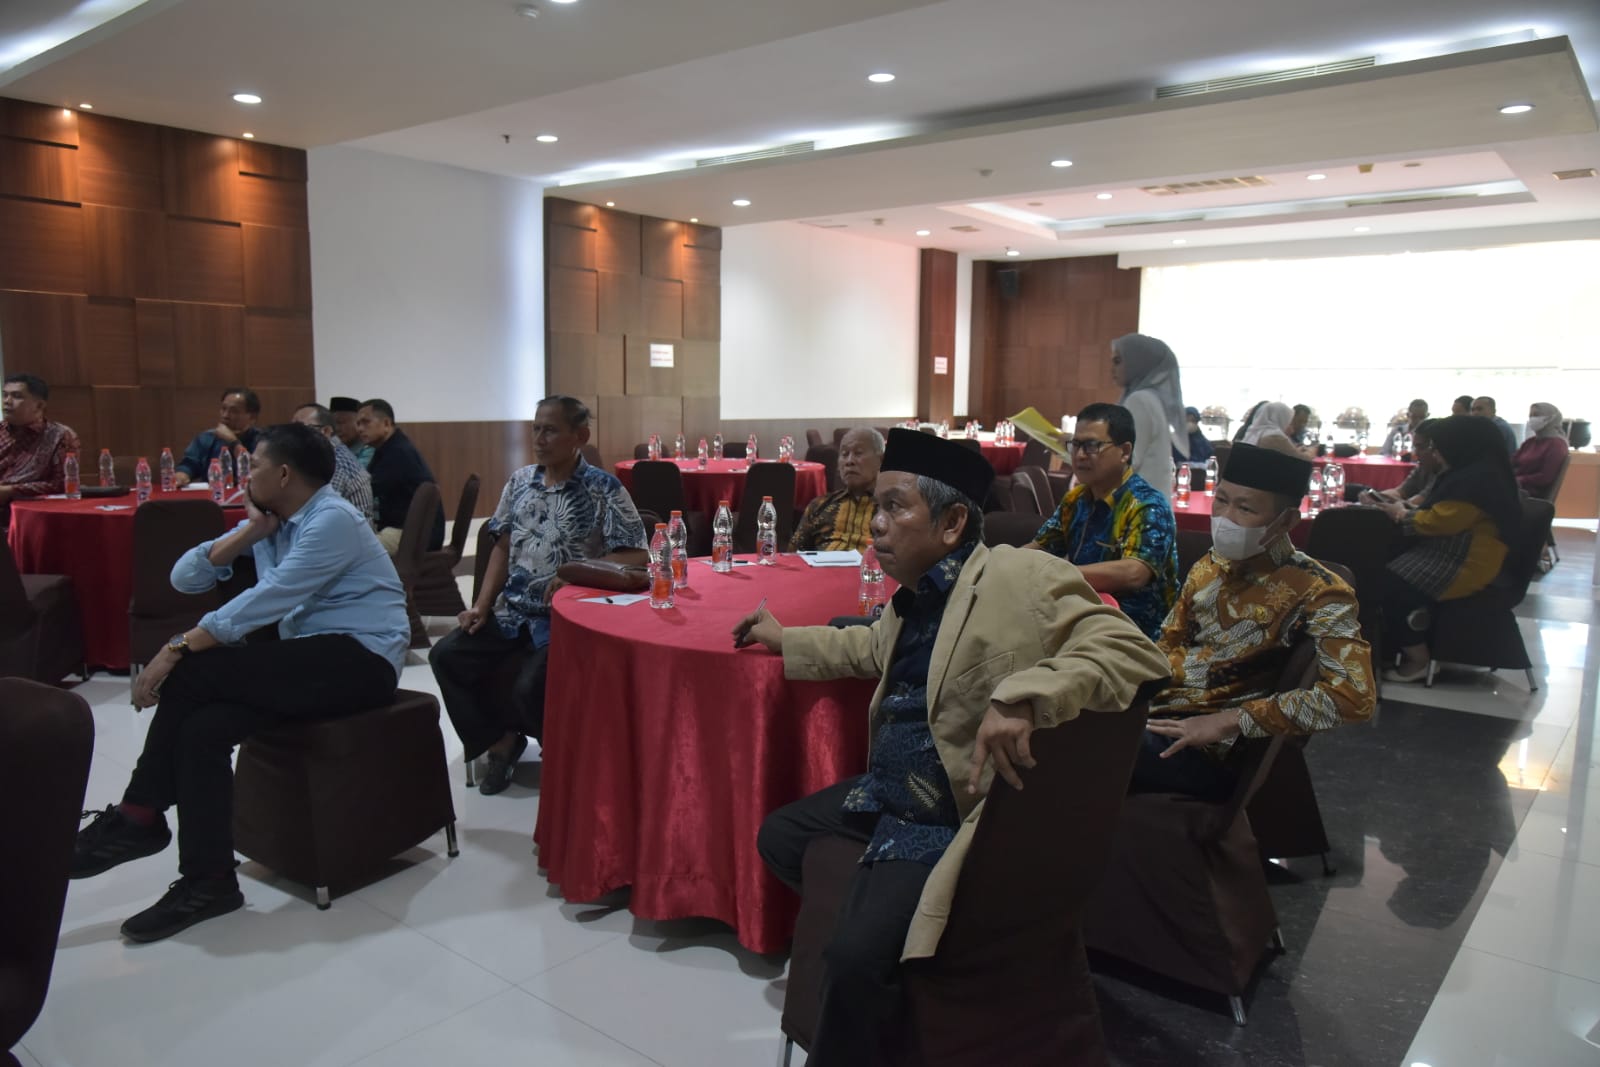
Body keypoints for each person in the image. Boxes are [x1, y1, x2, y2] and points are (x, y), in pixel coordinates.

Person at [739, 429, 1169, 1067]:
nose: (875, 527)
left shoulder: (1024, 576)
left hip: (944, 810)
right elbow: (870, 648)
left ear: (954, 522)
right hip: (890, 788)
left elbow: (1135, 652)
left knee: (853, 960)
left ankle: (884, 985)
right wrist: (786, 639)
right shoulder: (916, 595)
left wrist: (1026, 692)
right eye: (875, 508)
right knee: (779, 836)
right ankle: (889, 930)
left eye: (894, 508)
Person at [68, 423, 409, 942]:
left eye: (254, 466)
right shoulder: (277, 521)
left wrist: (175, 646)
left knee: (195, 669)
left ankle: (139, 814)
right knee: (204, 728)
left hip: (361, 659)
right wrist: (249, 534)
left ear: (285, 473)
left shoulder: (332, 519)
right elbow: (184, 578)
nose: (247, 475)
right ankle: (210, 881)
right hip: (309, 658)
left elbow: (267, 599)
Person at [1131, 444, 1375, 799]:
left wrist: (1230, 720)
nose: (1225, 517)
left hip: (1209, 751)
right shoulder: (1210, 565)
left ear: (1288, 521)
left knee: (1070, 743)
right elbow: (1167, 643)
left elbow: (1355, 696)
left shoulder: (1318, 590)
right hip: (1156, 717)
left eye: (1244, 508)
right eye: (1221, 500)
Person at [430, 396, 647, 795]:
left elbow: (636, 551)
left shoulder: (602, 488)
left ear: (579, 436)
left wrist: (582, 576)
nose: (539, 438)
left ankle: (568, 762)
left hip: (567, 619)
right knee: (446, 656)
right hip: (513, 614)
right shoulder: (520, 482)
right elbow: (501, 545)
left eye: (550, 430)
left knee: (529, 687)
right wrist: (480, 605)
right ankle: (500, 742)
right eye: (536, 428)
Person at [1373, 415, 1519, 683]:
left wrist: (1399, 514)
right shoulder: (1479, 472)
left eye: (1439, 447)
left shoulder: (1478, 480)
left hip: (1463, 563)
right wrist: (1406, 511)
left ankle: (1418, 659)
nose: (1436, 453)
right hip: (1451, 552)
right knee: (1387, 570)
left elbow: (1441, 521)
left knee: (1391, 584)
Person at [1027, 403, 1178, 640]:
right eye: (1075, 445)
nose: (1079, 455)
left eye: (1091, 446)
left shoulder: (1147, 504)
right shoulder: (1075, 500)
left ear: (1125, 451)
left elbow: (1134, 572)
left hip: (1139, 636)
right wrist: (1005, 562)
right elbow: (1038, 548)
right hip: (1082, 621)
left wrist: (1058, 574)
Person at [358, 398, 445, 553]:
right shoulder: (387, 448)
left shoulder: (398, 453)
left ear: (386, 424)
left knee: (355, 550)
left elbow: (366, 491)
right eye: (358, 424)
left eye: (366, 422)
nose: (360, 429)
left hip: (414, 534)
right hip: (403, 528)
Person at [1110, 332, 1186, 493]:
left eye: (1117, 361)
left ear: (1137, 362)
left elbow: (1128, 459)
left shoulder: (1139, 400)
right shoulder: (1149, 398)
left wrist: (1079, 450)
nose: (1112, 369)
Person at [0, 373, 79, 524]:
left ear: (40, 405)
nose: (7, 402)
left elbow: (63, 483)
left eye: (16, 396)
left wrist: (10, 491)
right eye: (4, 395)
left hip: (32, 516)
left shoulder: (60, 436)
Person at [791, 428, 884, 551]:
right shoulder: (820, 506)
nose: (849, 461)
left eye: (858, 453)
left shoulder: (891, 509)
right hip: (822, 569)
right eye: (844, 454)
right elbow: (793, 555)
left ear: (881, 460)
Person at [293, 402, 375, 524]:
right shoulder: (317, 456)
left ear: (326, 431)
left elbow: (319, 511)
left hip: (348, 536)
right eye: (292, 428)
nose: (292, 435)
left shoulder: (337, 463)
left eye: (301, 428)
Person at [173, 387, 262, 487]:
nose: (225, 415)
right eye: (223, 409)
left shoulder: (263, 440)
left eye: (234, 411)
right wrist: (182, 475)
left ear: (252, 417)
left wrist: (233, 442)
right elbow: (189, 465)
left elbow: (259, 473)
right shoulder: (206, 438)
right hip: (214, 497)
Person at [1361, 419, 1441, 507]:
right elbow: (1400, 492)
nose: (1415, 453)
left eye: (1421, 447)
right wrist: (1377, 496)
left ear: (1436, 448)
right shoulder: (1422, 466)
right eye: (1415, 447)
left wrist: (1381, 501)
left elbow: (1414, 504)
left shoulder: (1445, 474)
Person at [1513, 402, 1569, 496]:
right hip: (1515, 487)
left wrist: (1519, 479)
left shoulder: (1557, 445)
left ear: (1551, 418)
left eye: (1536, 415)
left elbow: (1546, 477)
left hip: (1530, 492)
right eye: (1530, 416)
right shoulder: (1530, 442)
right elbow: (1513, 461)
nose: (1532, 419)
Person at [1240, 401, 1316, 459]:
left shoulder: (1255, 433)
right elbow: (1302, 459)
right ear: (1281, 417)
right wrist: (1313, 451)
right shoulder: (1275, 437)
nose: (1290, 423)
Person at [329, 396, 375, 466]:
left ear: (358, 422)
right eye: (333, 424)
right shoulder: (332, 446)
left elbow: (358, 474)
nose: (337, 428)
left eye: (341, 422)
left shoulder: (369, 449)